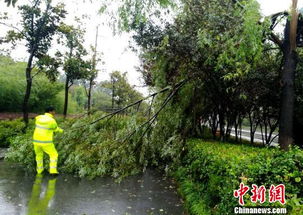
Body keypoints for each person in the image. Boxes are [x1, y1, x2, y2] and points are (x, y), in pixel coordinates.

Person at [32, 106, 63, 174]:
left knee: (39, 155)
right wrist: (62, 131)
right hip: (46, 142)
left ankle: (39, 171)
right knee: (54, 155)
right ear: (50, 111)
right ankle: (53, 171)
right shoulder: (52, 120)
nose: (55, 112)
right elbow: (55, 129)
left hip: (36, 141)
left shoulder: (38, 118)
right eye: (54, 111)